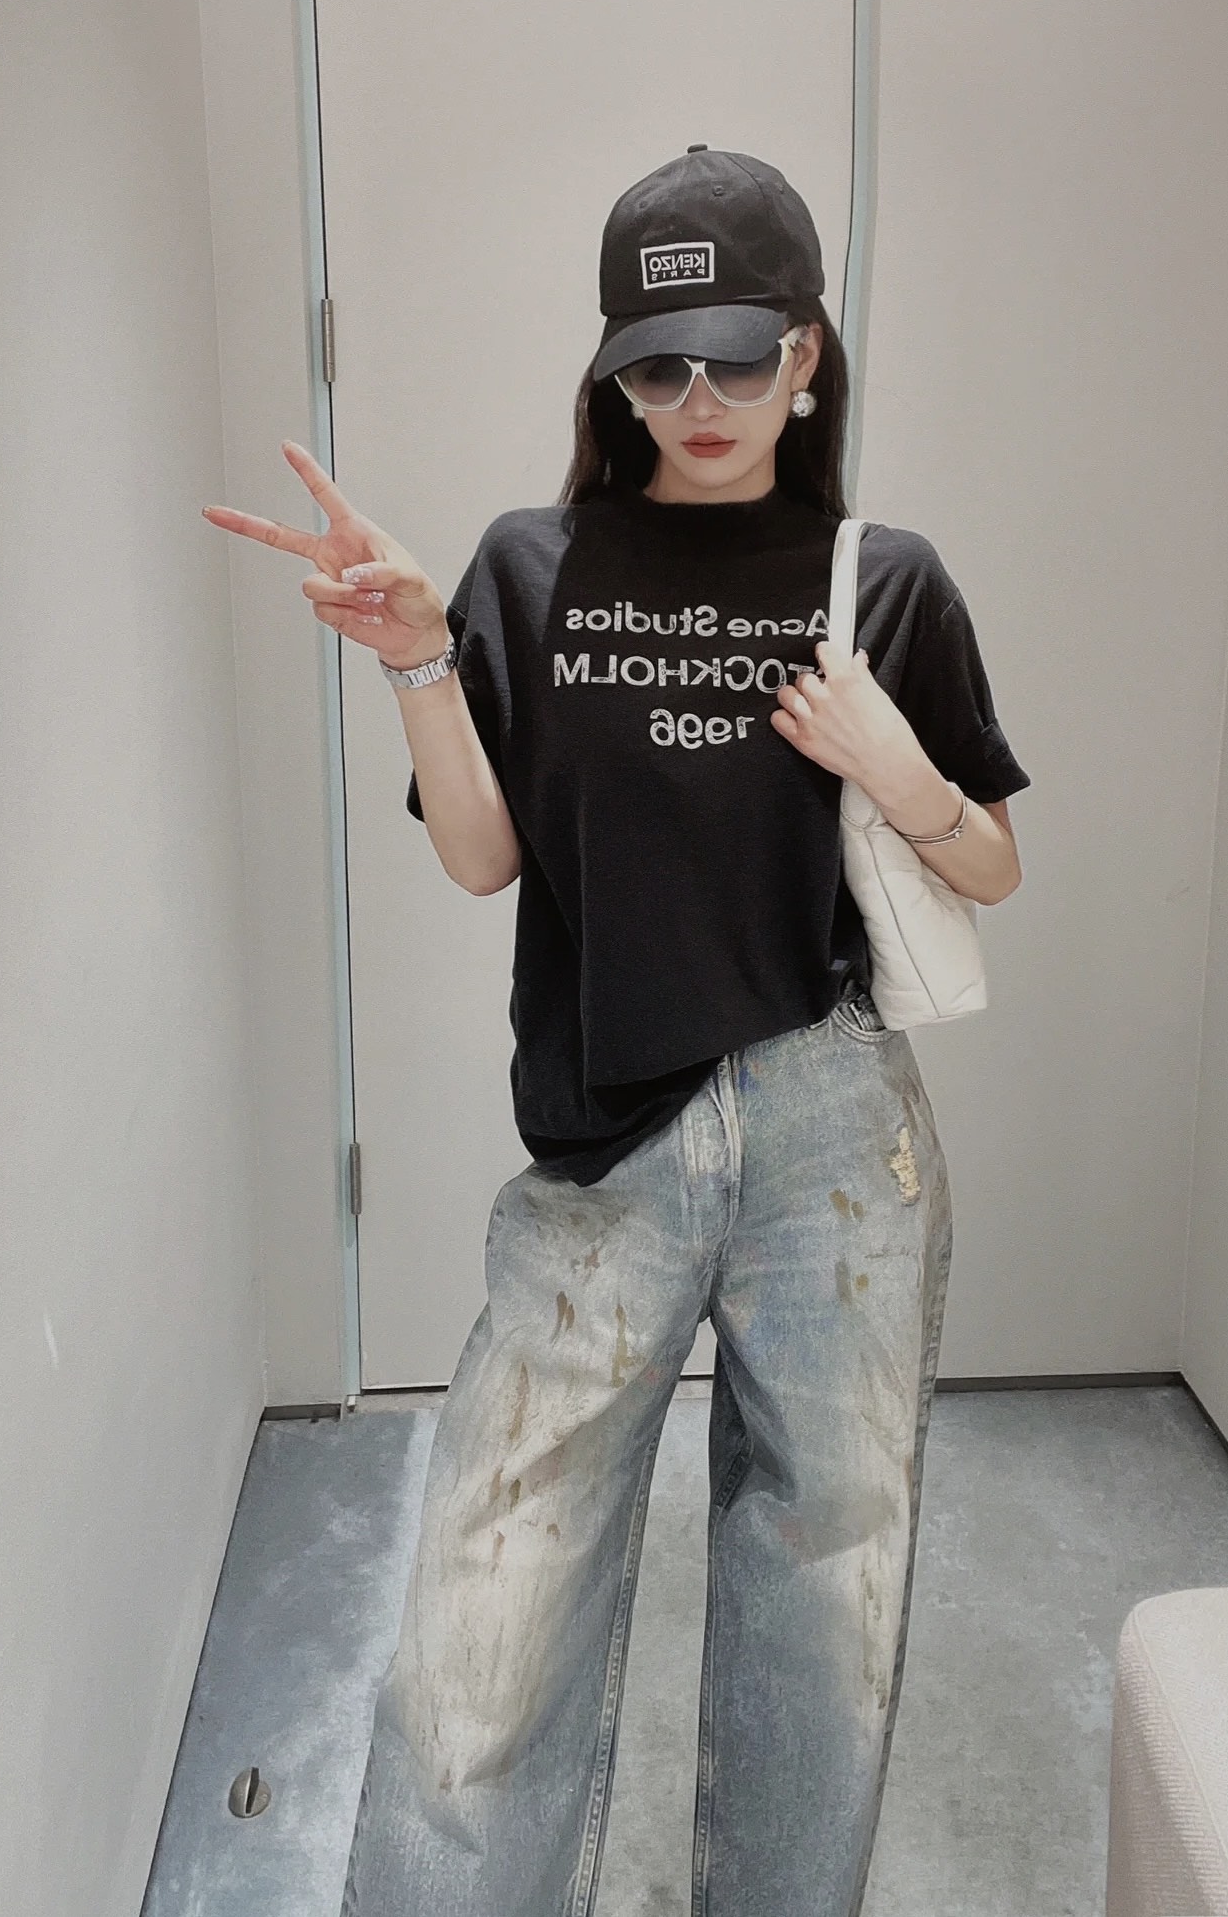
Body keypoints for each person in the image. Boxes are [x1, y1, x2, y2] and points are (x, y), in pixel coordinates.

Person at [205, 145, 1031, 1917]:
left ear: (806, 354)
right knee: (486, 1626)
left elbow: (990, 864)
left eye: (737, 357)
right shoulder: (532, 565)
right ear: (612, 377)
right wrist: (417, 658)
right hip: (606, 1143)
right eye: (656, 367)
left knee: (825, 1605)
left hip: (833, 1136)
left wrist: (898, 769)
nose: (699, 402)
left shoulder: (883, 579)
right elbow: (485, 858)